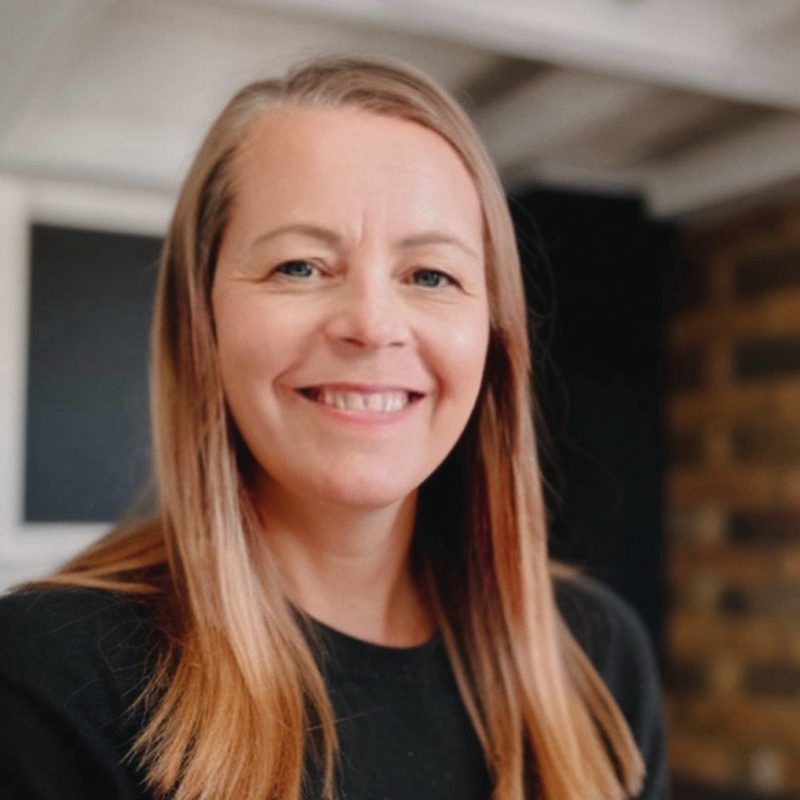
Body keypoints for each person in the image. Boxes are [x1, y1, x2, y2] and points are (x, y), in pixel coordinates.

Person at [0, 56, 668, 800]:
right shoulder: (47, 677)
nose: (372, 325)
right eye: (300, 266)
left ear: (494, 335)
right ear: (202, 319)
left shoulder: (596, 652)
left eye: (430, 276)